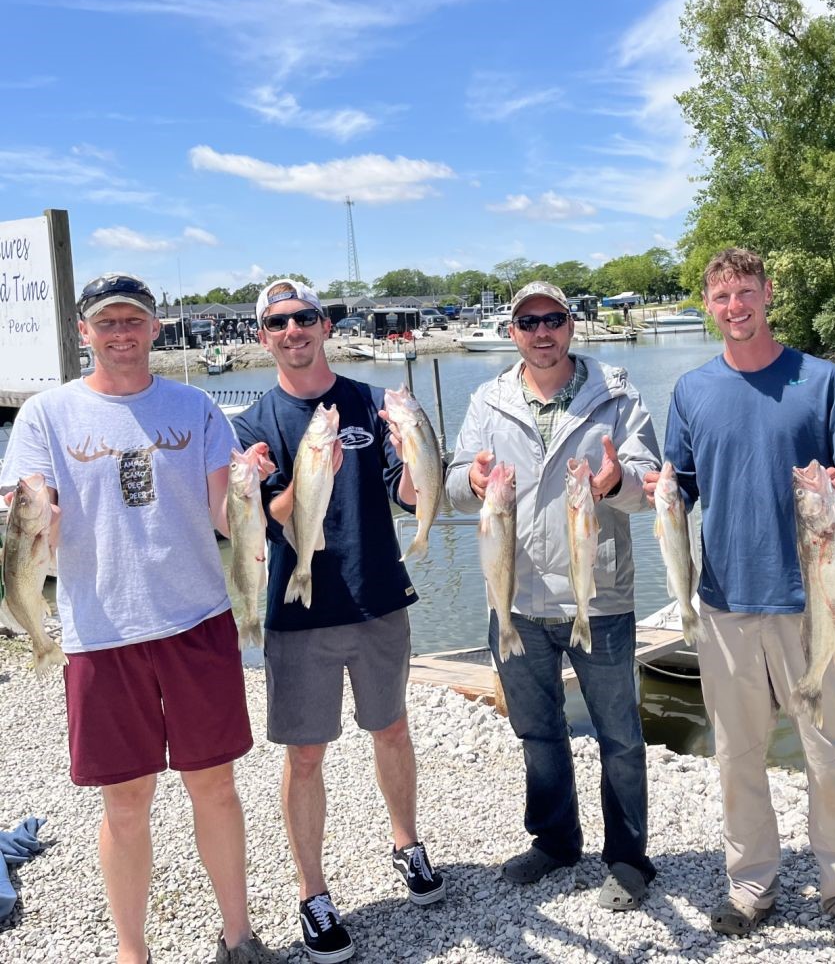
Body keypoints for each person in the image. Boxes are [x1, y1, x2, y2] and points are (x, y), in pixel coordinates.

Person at [0, 273, 266, 964]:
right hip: (100, 632)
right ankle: (131, 952)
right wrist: (34, 507)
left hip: (197, 619)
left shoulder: (195, 404)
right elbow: (32, 510)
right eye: (106, 322)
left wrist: (248, 492)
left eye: (133, 321)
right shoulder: (45, 415)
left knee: (215, 785)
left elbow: (220, 514)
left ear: (155, 329)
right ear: (83, 332)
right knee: (125, 802)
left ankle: (238, 935)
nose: (121, 333)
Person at [643, 248, 835, 956]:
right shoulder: (691, 389)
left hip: (811, 604)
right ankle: (751, 885)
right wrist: (642, 490)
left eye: (745, 292)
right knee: (737, 757)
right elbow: (678, 486)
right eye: (721, 297)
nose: (734, 307)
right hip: (722, 605)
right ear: (707, 305)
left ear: (767, 293)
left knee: (829, 756)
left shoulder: (821, 381)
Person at [232, 279, 445, 964]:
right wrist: (289, 473)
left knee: (391, 728)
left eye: (303, 318)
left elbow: (407, 495)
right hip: (299, 610)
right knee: (304, 755)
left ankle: (406, 844)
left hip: (378, 594)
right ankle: (312, 891)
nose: (293, 330)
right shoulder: (253, 422)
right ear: (262, 336)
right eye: (277, 322)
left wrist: (416, 451)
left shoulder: (368, 401)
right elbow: (275, 514)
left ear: (324, 325)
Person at [446, 280, 661, 911]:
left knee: (620, 735)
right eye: (528, 321)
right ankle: (556, 840)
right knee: (538, 733)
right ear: (512, 330)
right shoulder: (487, 398)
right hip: (516, 598)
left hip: (601, 598)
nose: (542, 331)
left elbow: (649, 484)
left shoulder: (616, 392)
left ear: (572, 326)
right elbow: (456, 480)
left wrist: (617, 479)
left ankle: (627, 857)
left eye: (554, 319)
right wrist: (472, 480)